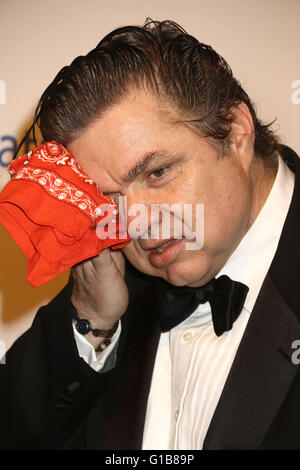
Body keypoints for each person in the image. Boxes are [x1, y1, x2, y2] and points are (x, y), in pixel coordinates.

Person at [1, 18, 300, 450]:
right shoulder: (107, 292)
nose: (134, 222)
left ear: (236, 133)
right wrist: (94, 321)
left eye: (157, 172)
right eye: (108, 198)